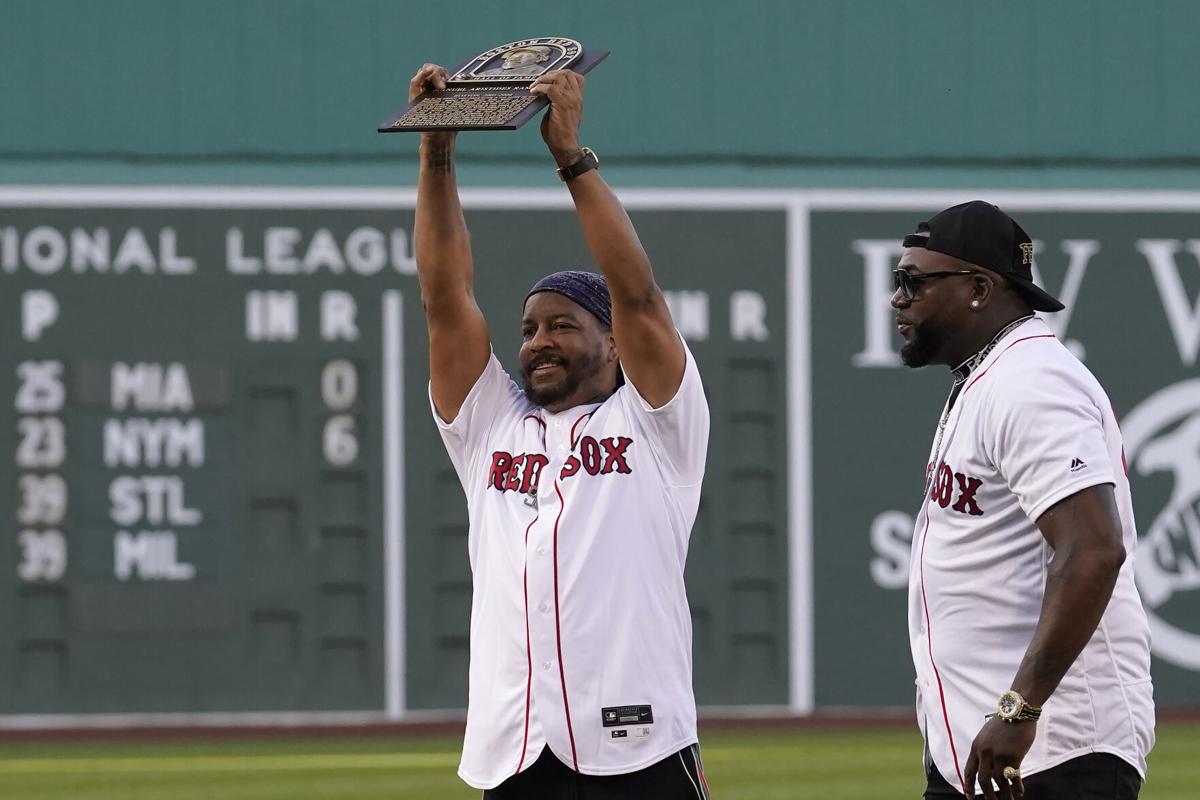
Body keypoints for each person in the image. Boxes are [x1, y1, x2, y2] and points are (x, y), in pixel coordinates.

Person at [409, 62, 712, 800]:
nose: (538, 340)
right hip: (514, 750)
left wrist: (570, 158)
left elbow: (636, 295)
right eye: (528, 329)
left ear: (613, 343)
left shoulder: (656, 422)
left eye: (563, 325)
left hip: (638, 749)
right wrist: (437, 152)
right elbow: (446, 299)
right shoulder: (491, 428)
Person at [893, 201, 1155, 800]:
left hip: (1057, 751)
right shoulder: (989, 376)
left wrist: (1018, 709)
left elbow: (1093, 551)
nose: (897, 298)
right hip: (987, 749)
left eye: (913, 281)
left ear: (981, 288)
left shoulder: (1032, 381)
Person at [479, 45, 553, 76]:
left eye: (522, 55)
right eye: (513, 55)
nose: (514, 57)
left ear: (539, 58)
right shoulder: (487, 74)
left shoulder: (541, 73)